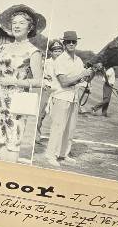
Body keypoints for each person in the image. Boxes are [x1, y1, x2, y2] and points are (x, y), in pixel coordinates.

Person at [0, 4, 44, 163]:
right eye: (14, 23)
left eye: (21, 23)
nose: (16, 26)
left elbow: (39, 81)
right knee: (1, 139)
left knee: (13, 142)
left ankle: (8, 173)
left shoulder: (33, 51)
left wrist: (14, 81)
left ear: (30, 27)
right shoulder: (4, 47)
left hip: (18, 101)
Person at [37, 29, 88, 165]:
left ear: (76, 43)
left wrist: (89, 73)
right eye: (68, 41)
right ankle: (50, 155)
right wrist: (81, 76)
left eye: (73, 41)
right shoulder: (60, 60)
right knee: (58, 128)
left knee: (70, 129)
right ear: (64, 43)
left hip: (73, 98)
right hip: (61, 96)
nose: (71, 44)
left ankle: (63, 154)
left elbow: (82, 79)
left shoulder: (78, 60)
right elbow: (64, 82)